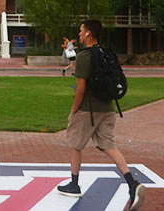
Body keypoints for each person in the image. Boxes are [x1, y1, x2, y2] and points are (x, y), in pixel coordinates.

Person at [57, 20, 146, 210]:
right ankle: (132, 183)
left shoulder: (84, 56)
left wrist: (74, 109)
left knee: (75, 144)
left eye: (81, 30)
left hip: (88, 109)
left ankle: (74, 183)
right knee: (109, 146)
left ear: (88, 33)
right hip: (108, 108)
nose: (79, 33)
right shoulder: (106, 53)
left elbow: (81, 88)